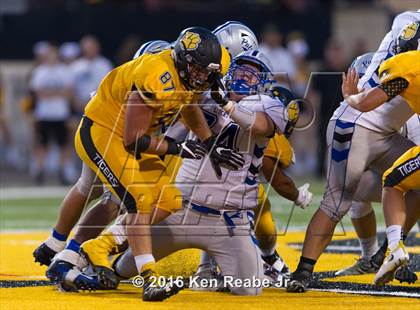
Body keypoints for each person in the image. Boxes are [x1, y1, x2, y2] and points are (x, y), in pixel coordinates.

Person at [72, 49, 304, 295]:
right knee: (125, 267)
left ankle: (211, 271)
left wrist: (224, 103)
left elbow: (258, 124)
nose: (243, 79)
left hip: (227, 222)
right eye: (240, 72)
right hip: (182, 209)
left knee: (250, 289)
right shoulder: (204, 94)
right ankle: (81, 262)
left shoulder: (268, 105)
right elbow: (176, 124)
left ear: (265, 83)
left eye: (252, 75)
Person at [45, 27, 239, 302]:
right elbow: (133, 139)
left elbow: (189, 104)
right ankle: (149, 277)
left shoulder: (202, 70)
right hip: (104, 131)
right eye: (195, 68)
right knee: (138, 199)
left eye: (205, 70)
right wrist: (177, 147)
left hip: (133, 135)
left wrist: (209, 143)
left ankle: (90, 250)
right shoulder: (156, 74)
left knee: (170, 199)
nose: (201, 76)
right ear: (182, 59)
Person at [286, 11, 420, 293]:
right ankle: (303, 270)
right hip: (355, 122)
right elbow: (365, 103)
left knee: (415, 182)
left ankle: (390, 250)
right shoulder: (409, 46)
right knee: (337, 201)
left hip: (386, 132)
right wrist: (349, 97)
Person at [343, 21, 420, 286]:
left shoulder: (405, 68)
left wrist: (351, 95)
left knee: (394, 183)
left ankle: (392, 249)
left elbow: (365, 102)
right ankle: (378, 254)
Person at [29, 44, 74, 184]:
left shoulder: (64, 71)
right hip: (45, 114)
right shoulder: (40, 71)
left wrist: (51, 94)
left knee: (63, 144)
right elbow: (39, 94)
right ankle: (40, 171)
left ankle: (63, 172)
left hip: (60, 114)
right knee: (43, 145)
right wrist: (57, 94)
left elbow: (68, 92)